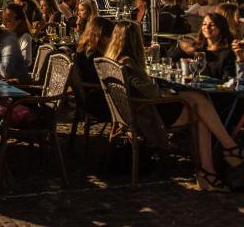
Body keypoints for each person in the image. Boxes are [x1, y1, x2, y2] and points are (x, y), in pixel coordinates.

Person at [105, 20, 244, 191]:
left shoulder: (112, 60)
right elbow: (152, 93)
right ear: (135, 40)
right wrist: (168, 93)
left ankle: (216, 165)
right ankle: (218, 161)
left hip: (135, 112)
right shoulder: (128, 63)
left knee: (195, 97)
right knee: (200, 110)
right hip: (148, 114)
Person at [168, 13, 235, 80]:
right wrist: (181, 47)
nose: (207, 27)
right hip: (191, 86)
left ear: (221, 27)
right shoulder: (197, 47)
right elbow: (170, 59)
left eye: (212, 25)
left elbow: (228, 79)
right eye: (204, 24)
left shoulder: (227, 53)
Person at [73, 16, 114, 119]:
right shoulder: (95, 57)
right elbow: (104, 79)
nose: (113, 40)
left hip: (87, 98)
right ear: (101, 36)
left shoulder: (84, 50)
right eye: (111, 36)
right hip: (98, 102)